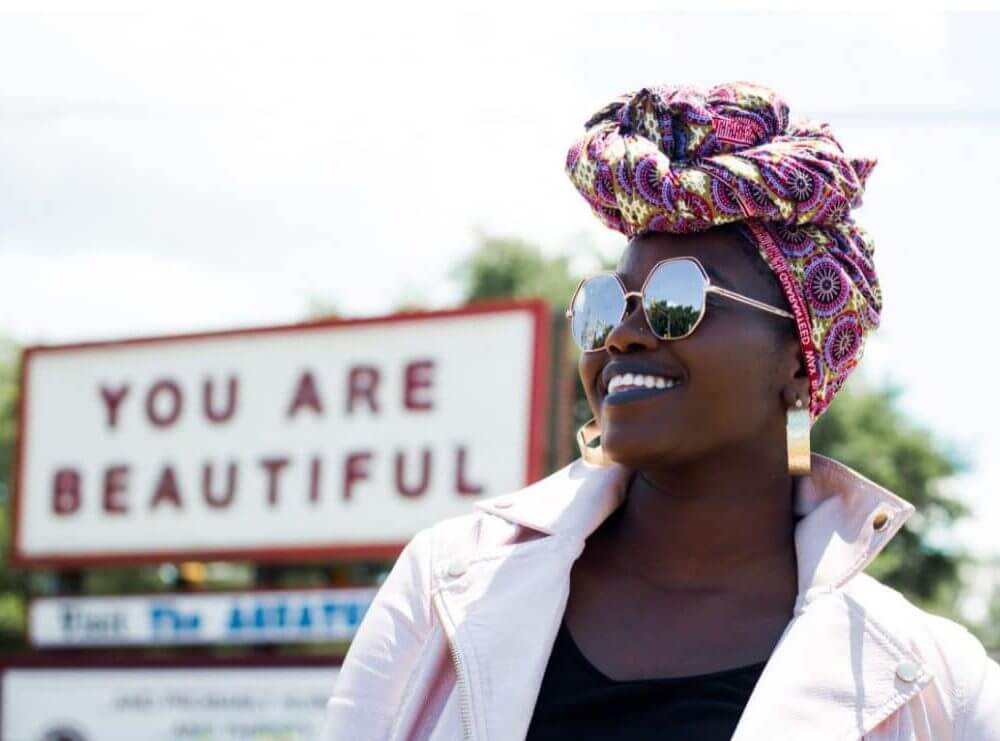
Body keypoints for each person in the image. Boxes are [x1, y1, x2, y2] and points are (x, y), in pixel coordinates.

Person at [324, 82, 1000, 740]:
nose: (622, 334)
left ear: (797, 361)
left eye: (680, 298)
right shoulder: (445, 585)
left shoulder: (937, 685)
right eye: (605, 303)